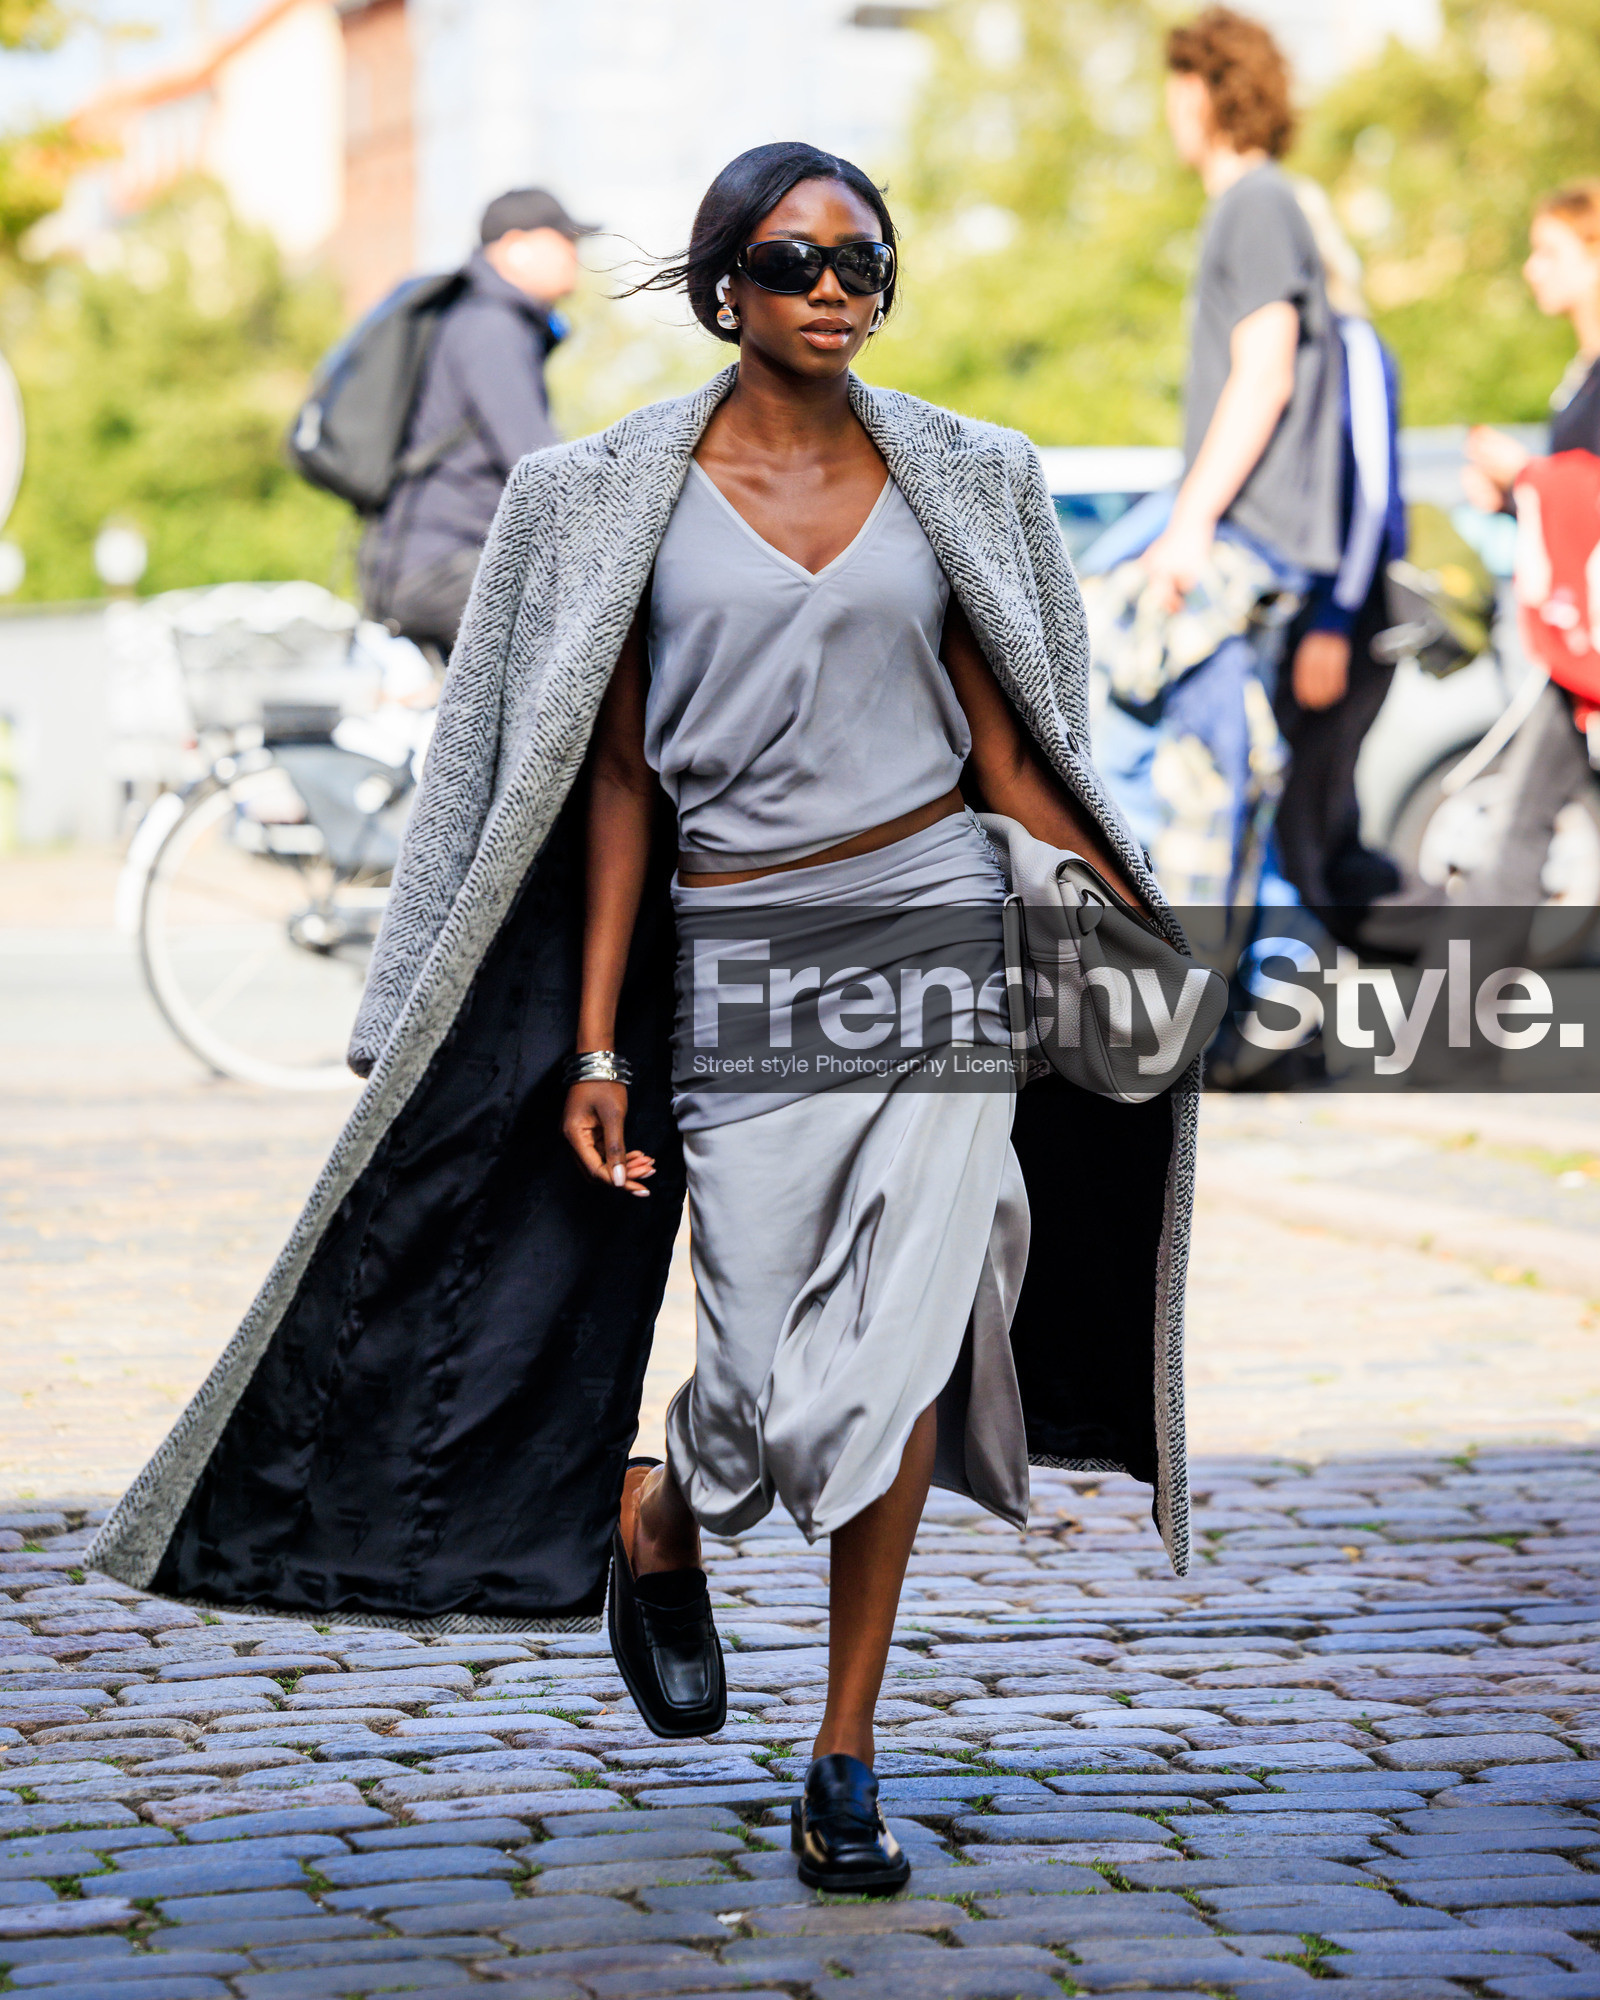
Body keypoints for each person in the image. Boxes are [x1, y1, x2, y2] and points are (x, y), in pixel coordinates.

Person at [82, 144, 1198, 1905]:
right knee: (757, 1380)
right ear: (721, 286)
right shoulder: (611, 498)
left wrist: (1141, 917)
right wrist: (598, 1047)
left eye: (862, 261)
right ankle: (663, 1508)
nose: (833, 287)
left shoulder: (962, 482)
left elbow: (1009, 751)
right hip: (738, 959)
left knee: (900, 1350)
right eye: (793, 258)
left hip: (932, 942)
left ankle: (845, 1754)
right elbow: (602, 783)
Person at [1145, 8, 1344, 615]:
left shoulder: (1256, 201)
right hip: (1243, 530)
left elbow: (1264, 373)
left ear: (1209, 92)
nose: (1168, 108)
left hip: (1246, 535)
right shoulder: (1250, 202)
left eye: (1179, 85)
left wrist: (1190, 521)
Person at [358, 186, 596, 655]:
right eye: (564, 240)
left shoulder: (484, 319)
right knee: (595, 630)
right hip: (445, 563)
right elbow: (536, 461)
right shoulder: (492, 327)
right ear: (516, 245)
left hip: (430, 561)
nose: (576, 254)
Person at [1454, 181, 1600, 907]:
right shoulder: (1580, 377)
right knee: (1522, 821)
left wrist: (1529, 476)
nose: (1532, 269)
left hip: (1585, 650)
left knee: (1518, 826)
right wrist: (1514, 494)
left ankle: (1456, 1012)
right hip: (1579, 647)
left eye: (1550, 251)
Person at [1273, 179, 1407, 917]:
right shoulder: (1289, 345)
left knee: (1307, 822)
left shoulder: (1350, 340)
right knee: (1301, 818)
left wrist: (1333, 620)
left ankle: (1300, 1014)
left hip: (1345, 614)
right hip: (1299, 611)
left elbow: (1375, 495)